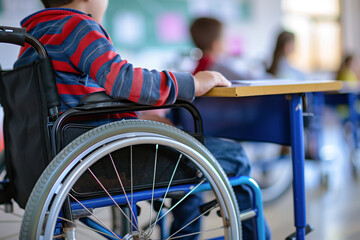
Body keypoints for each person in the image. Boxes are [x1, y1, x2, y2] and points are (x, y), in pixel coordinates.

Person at [15, 1, 267, 239]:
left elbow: (75, 102)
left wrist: (139, 116)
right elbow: (122, 80)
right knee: (234, 155)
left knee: (188, 161)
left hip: (60, 156)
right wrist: (194, 83)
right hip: (106, 163)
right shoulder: (78, 27)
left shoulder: (33, 34)